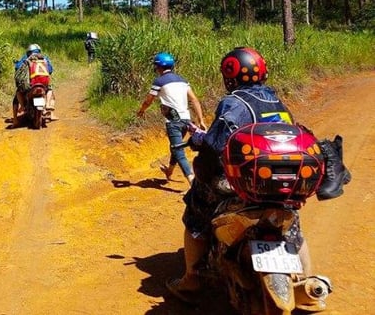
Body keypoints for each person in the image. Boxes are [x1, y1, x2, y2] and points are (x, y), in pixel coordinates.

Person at [165, 46, 351, 306]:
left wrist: (197, 138)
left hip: (241, 182)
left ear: (229, 76)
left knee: (195, 213)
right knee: (292, 226)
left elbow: (215, 145)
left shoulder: (233, 102)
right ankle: (307, 288)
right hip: (278, 182)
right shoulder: (276, 100)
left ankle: (192, 280)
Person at [137, 52, 207, 185]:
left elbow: (148, 100)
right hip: (186, 120)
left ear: (158, 67)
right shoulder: (182, 80)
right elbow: (194, 100)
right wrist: (201, 120)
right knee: (176, 146)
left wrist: (141, 111)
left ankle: (192, 181)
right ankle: (170, 170)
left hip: (173, 121)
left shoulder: (159, 81)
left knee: (177, 149)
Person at [13, 43, 55, 125]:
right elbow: (50, 70)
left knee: (18, 93)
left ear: (28, 52)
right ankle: (48, 106)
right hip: (44, 85)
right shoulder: (44, 59)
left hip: (30, 86)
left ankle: (16, 118)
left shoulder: (26, 58)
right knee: (50, 90)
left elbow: (17, 68)